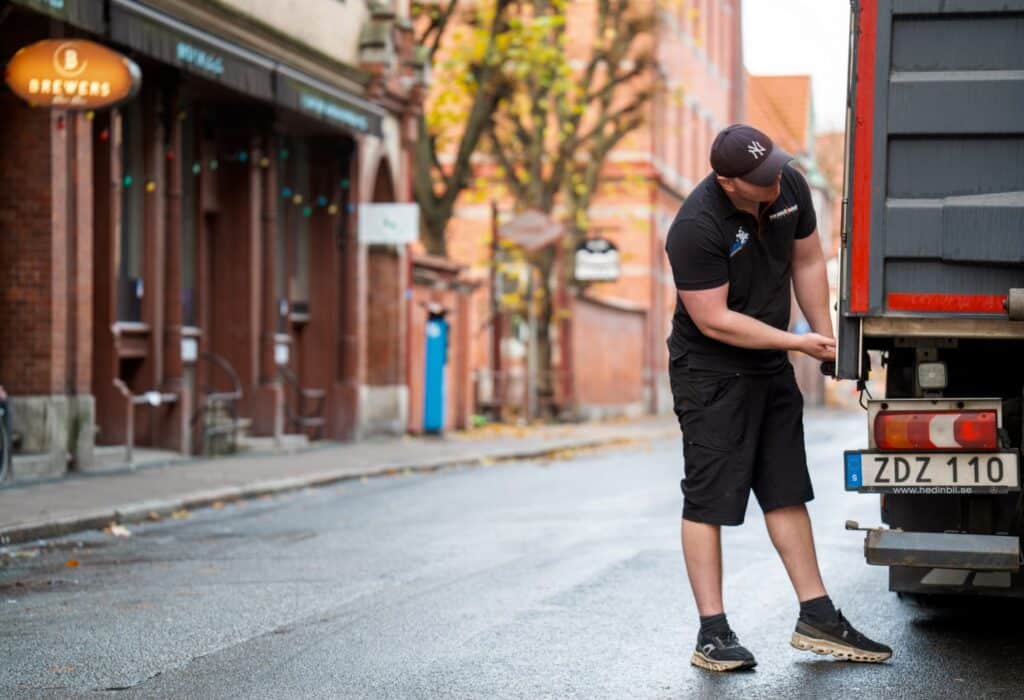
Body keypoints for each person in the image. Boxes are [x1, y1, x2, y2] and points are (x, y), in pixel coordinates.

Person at [664, 124, 891, 671]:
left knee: (786, 487)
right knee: (710, 496)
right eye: (762, 178)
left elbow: (808, 262)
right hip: (710, 369)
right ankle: (712, 634)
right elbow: (714, 321)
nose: (776, 181)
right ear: (728, 181)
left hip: (768, 364)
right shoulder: (695, 227)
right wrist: (797, 342)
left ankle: (817, 615)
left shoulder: (788, 186)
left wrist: (829, 340)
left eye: (776, 169)